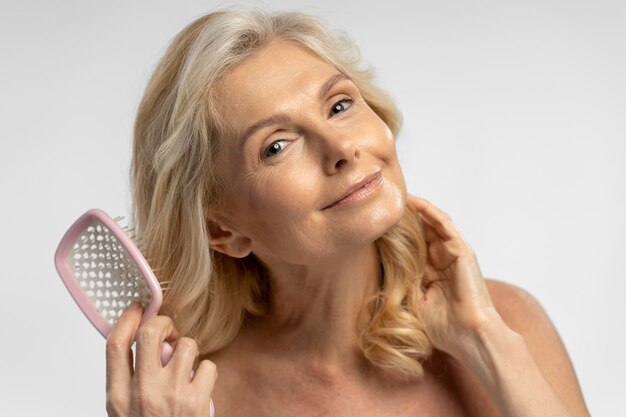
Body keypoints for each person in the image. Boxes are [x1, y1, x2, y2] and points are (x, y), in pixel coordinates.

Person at [104, 8, 590, 417]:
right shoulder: (190, 393)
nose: (341, 147)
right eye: (276, 146)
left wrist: (487, 345)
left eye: (339, 106)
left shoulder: (506, 324)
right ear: (220, 228)